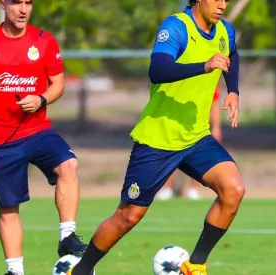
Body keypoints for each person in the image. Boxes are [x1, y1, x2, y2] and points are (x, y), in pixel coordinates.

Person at [67, 0, 244, 274]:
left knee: (233, 190)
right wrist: (204, 66)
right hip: (157, 141)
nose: (222, 4)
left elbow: (232, 51)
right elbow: (158, 70)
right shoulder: (176, 27)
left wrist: (233, 89)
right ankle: (80, 270)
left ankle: (194, 265)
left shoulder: (224, 31)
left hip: (196, 137)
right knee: (128, 216)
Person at [0, 1, 87, 274]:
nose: (23, 9)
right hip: (0, 139)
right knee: (8, 209)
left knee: (69, 164)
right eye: (17, 2)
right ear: (3, 3)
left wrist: (41, 99)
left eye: (29, 3)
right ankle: (15, 270)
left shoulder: (44, 41)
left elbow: (59, 84)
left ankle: (67, 237)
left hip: (38, 131)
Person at [157, 86, 223, 200]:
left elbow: (215, 105)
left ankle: (194, 189)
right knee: (172, 157)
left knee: (201, 159)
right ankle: (167, 188)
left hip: (200, 128)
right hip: (178, 125)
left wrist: (216, 127)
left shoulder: (211, 83)